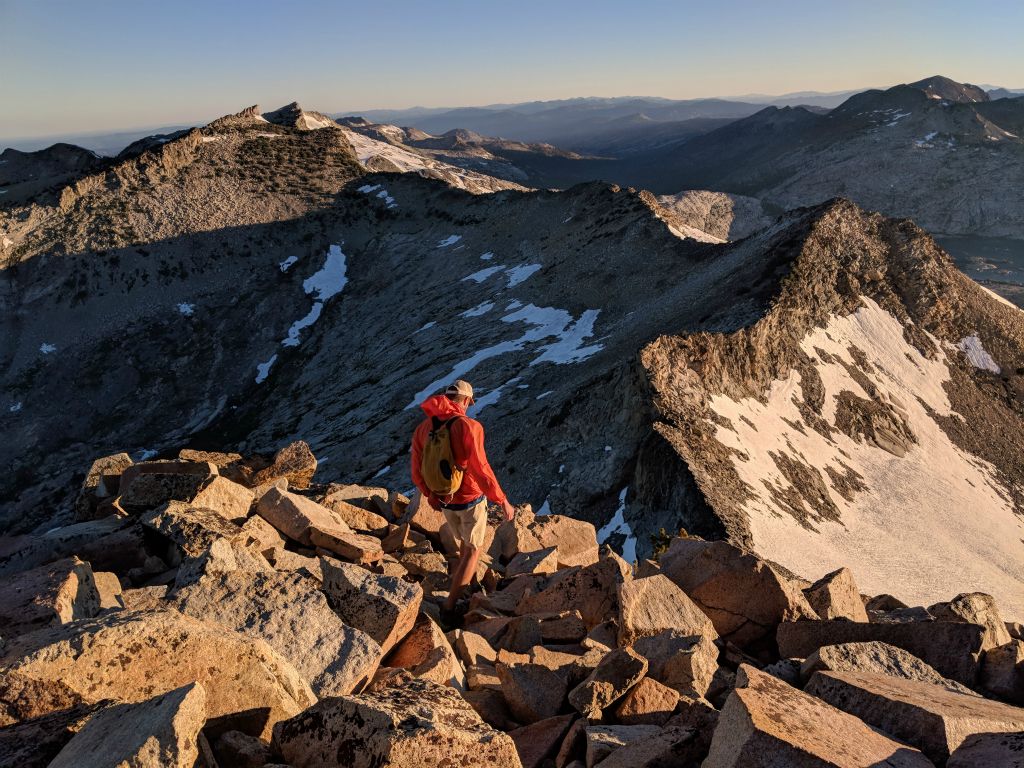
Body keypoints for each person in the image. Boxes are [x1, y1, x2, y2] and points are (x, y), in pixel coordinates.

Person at [411, 379, 515, 624]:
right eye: (470, 402)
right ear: (466, 400)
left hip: (445, 501)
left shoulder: (423, 429)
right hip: (470, 499)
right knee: (473, 551)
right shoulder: (470, 426)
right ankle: (449, 608)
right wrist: (502, 500)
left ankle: (464, 582)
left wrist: (431, 495)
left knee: (464, 545)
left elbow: (416, 471)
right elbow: (481, 469)